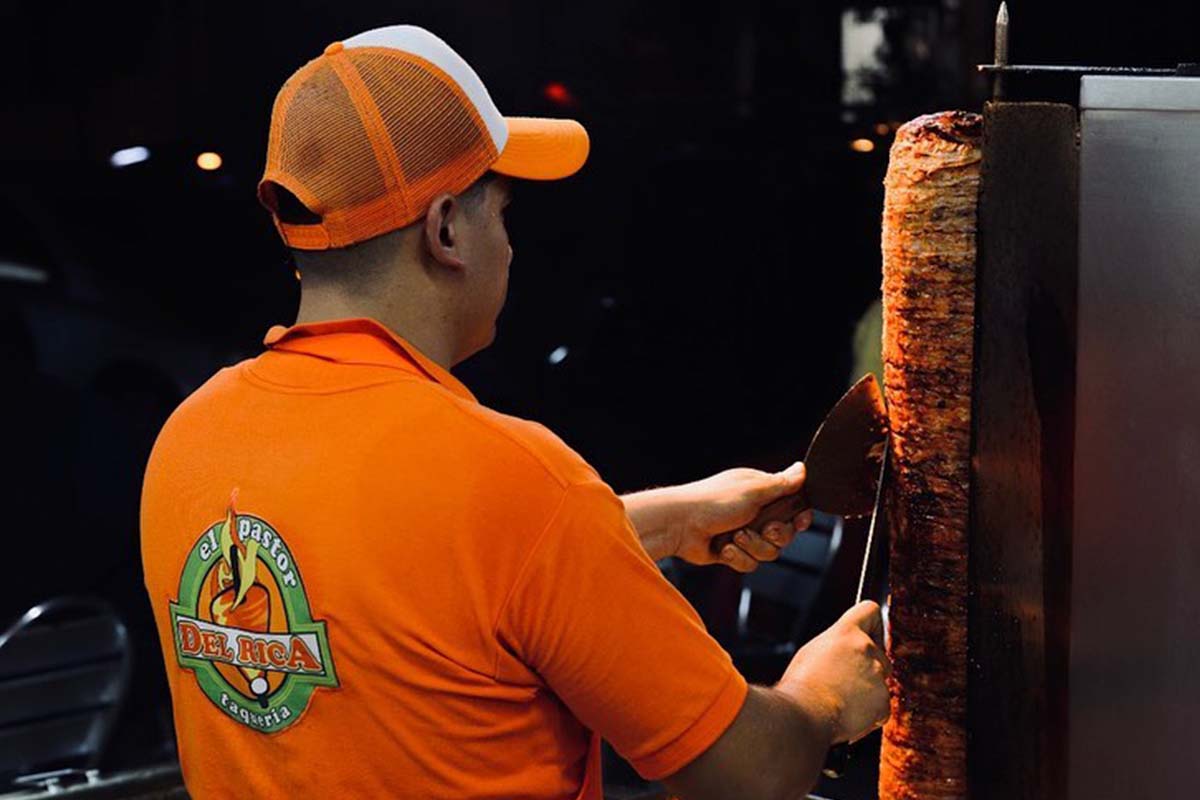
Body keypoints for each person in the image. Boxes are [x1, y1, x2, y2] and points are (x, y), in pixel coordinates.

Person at [140, 25, 890, 800]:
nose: (512, 246)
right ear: (446, 229)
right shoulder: (516, 482)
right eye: (502, 213)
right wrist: (822, 697)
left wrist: (645, 525)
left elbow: (406, 590)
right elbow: (749, 775)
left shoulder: (189, 438)